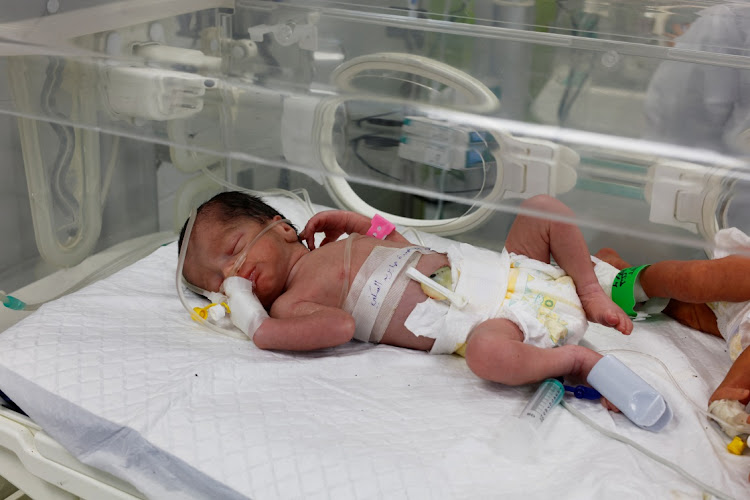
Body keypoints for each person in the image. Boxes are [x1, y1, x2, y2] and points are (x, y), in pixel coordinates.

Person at [179, 191, 633, 401]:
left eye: (234, 251)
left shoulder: (334, 248)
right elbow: (341, 326)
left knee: (542, 208)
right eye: (220, 282)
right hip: (499, 320)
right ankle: (577, 362)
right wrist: (258, 325)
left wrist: (361, 224)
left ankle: (590, 289)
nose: (232, 273)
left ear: (281, 226)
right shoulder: (288, 305)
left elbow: (400, 246)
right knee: (487, 358)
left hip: (510, 268)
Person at [594, 232, 750, 438]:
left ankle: (623, 276)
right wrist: (729, 394)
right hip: (742, 283)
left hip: (734, 328)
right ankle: (628, 279)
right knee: (693, 280)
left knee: (683, 308)